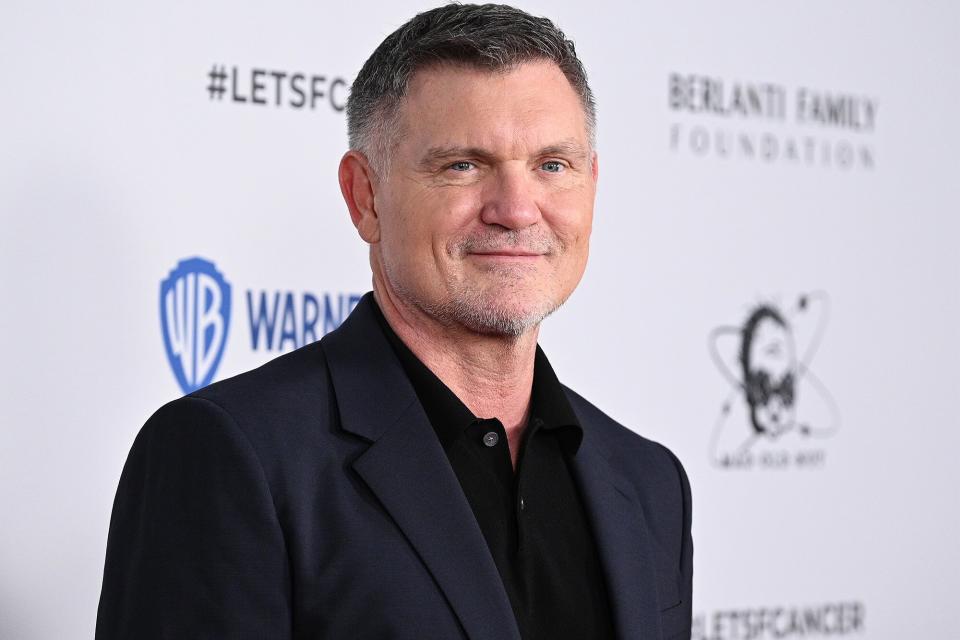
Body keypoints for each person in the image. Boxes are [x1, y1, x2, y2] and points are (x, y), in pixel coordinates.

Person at [96, 4, 692, 639]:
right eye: (463, 165)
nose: (517, 210)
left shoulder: (650, 482)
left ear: (591, 184)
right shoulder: (234, 459)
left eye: (552, 165)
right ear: (365, 197)